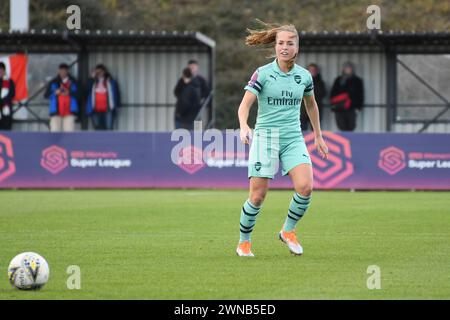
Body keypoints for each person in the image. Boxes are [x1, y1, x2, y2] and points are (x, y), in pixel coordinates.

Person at [236, 21, 329, 257]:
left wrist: (318, 135)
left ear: (297, 48)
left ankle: (288, 231)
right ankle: (244, 242)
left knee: (306, 187)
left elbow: (311, 104)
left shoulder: (305, 77)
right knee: (257, 197)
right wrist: (244, 125)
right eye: (280, 43)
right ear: (275, 47)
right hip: (266, 137)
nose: (284, 47)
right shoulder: (263, 73)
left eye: (290, 43)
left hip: (293, 137)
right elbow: (245, 104)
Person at [329, 61, 364, 131]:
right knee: (341, 126)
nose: (348, 69)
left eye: (349, 68)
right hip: (339, 107)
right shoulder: (338, 80)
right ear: (343, 69)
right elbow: (333, 94)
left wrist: (358, 107)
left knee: (351, 126)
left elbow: (360, 94)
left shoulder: (357, 80)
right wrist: (333, 106)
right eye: (346, 68)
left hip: (352, 107)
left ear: (352, 69)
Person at [44, 63, 79, 132]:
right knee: (55, 132)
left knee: (69, 133)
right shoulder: (53, 82)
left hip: (70, 112)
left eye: (64, 70)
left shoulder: (74, 82)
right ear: (58, 71)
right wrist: (55, 93)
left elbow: (80, 95)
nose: (62, 72)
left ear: (67, 71)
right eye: (61, 70)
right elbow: (46, 95)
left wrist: (69, 93)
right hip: (56, 112)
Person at [86, 64, 120, 130]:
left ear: (104, 72)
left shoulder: (111, 81)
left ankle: (109, 140)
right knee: (97, 128)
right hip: (95, 109)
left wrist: (117, 105)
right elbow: (87, 90)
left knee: (109, 128)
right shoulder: (92, 82)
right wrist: (91, 78)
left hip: (108, 108)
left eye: (101, 71)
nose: (99, 73)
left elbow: (117, 93)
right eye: (97, 72)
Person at [300, 63, 326, 132]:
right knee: (302, 130)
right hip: (303, 111)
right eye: (311, 70)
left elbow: (323, 94)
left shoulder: (320, 82)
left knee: (315, 131)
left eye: (314, 70)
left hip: (315, 110)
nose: (312, 71)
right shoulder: (302, 81)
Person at [0, 62, 15, 130]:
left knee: (6, 129)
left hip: (6, 109)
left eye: (1, 70)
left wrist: (3, 101)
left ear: (4, 71)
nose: (0, 72)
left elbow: (12, 93)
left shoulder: (9, 81)